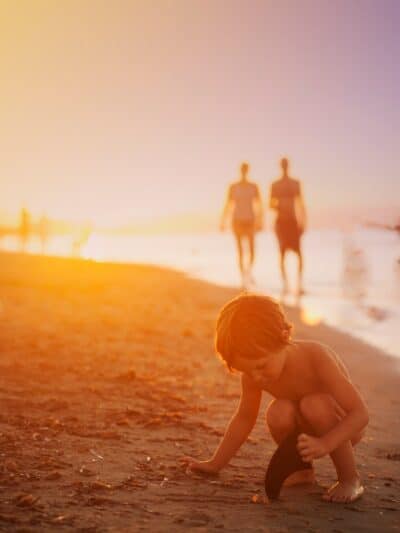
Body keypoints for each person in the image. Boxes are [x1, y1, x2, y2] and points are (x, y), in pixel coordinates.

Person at [182, 293, 369, 503]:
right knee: (277, 412)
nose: (256, 377)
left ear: (283, 337)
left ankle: (350, 478)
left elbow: (360, 414)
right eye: (247, 371)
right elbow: (244, 419)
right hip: (306, 432)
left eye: (261, 366)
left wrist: (326, 443)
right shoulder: (254, 375)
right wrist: (215, 463)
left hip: (342, 428)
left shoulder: (316, 357)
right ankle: (301, 470)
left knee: (314, 404)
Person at [220, 162, 263, 287]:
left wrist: (260, 221)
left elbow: (259, 204)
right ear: (241, 171)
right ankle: (243, 277)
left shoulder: (253, 186)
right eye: (243, 169)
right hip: (237, 221)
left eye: (245, 169)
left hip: (250, 220)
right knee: (240, 250)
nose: (244, 171)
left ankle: (248, 271)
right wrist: (223, 220)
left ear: (247, 170)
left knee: (252, 250)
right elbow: (228, 204)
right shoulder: (233, 187)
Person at [269, 158, 306, 295]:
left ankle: (299, 284)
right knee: (282, 253)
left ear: (288, 166)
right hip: (281, 222)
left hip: (293, 221)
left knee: (299, 254)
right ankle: (285, 285)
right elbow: (270, 204)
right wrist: (280, 207)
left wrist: (303, 222)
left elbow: (301, 203)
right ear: (281, 166)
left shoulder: (295, 184)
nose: (284, 167)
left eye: (286, 165)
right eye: (283, 165)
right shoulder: (275, 185)